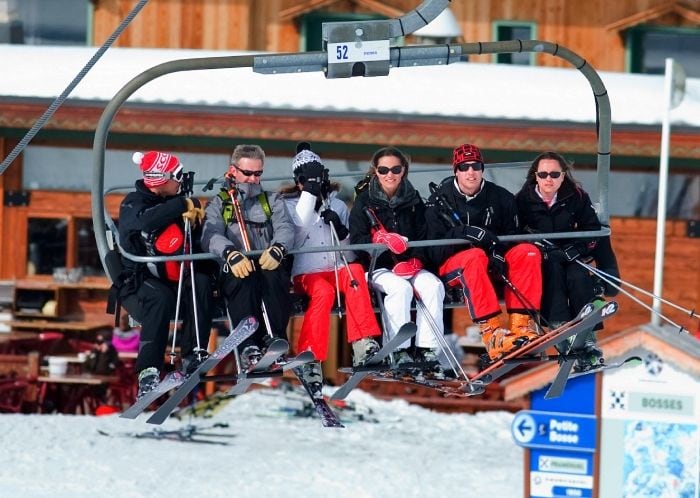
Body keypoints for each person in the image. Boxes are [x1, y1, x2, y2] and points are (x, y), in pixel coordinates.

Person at [425, 143, 542, 362]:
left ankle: (522, 327)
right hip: (453, 266)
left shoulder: (502, 198)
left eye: (475, 166)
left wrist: (498, 251)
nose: (470, 172)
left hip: (491, 263)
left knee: (527, 252)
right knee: (474, 256)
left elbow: (512, 236)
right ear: (455, 171)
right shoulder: (438, 202)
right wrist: (462, 233)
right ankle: (493, 335)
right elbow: (433, 251)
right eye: (464, 167)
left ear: (482, 169)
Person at [281, 143, 382, 390]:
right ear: (299, 181)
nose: (311, 183)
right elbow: (295, 233)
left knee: (356, 273)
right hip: (306, 274)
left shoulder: (336, 205)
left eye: (316, 178)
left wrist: (341, 229)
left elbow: (348, 253)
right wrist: (311, 197)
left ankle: (363, 343)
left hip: (336, 269)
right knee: (323, 293)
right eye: (306, 179)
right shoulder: (289, 205)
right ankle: (310, 356)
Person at [117, 150, 213, 398]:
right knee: (160, 299)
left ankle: (194, 354)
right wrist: (180, 205)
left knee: (201, 283)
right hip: (141, 279)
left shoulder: (178, 200)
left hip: (175, 275)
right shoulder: (132, 203)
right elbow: (145, 222)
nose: (181, 181)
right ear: (161, 179)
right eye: (177, 175)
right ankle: (148, 370)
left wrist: (194, 221)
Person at [349, 146, 445, 366]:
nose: (389, 174)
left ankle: (427, 349)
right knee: (400, 289)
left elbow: (423, 235)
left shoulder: (414, 201)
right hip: (377, 267)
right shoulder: (365, 202)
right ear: (376, 172)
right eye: (383, 170)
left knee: (433, 286)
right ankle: (398, 350)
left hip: (408, 265)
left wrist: (417, 260)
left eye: (395, 169)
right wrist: (378, 242)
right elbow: (356, 240)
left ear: (403, 171)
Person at [201, 144, 294, 371]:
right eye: (248, 173)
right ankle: (248, 345)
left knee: (274, 277)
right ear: (233, 171)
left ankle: (274, 339)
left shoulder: (270, 200)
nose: (253, 179)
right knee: (244, 281)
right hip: (236, 265)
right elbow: (210, 234)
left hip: (265, 260)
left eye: (258, 174)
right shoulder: (220, 202)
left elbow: (286, 227)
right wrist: (229, 253)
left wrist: (278, 248)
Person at [515, 151, 605, 371]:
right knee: (552, 273)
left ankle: (587, 338)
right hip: (543, 258)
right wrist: (537, 248)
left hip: (568, 254)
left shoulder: (576, 197)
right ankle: (563, 334)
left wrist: (577, 249)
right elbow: (514, 233)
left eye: (555, 174)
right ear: (535, 176)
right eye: (543, 174)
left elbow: (591, 230)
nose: (549, 179)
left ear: (563, 176)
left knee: (578, 275)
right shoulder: (522, 200)